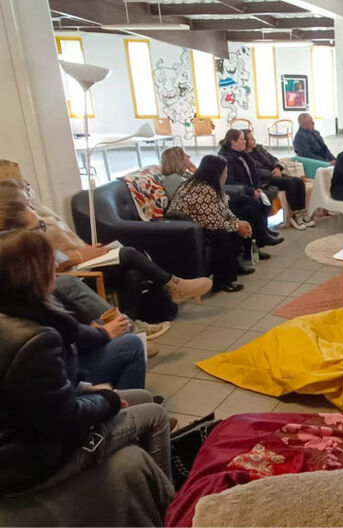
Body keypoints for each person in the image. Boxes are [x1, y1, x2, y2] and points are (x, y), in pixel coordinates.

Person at [0, 230, 171, 495]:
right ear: (35, 273)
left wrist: (83, 389)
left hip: (24, 434)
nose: (56, 267)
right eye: (50, 263)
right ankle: (166, 504)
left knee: (144, 396)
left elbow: (35, 395)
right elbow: (63, 420)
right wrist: (107, 400)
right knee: (156, 415)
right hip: (31, 461)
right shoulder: (35, 340)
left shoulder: (19, 315)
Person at [0, 180, 211, 309]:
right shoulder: (17, 240)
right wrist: (84, 255)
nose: (32, 200)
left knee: (132, 269)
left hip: (76, 265)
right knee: (128, 254)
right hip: (71, 274)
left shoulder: (37, 220)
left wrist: (86, 252)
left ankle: (134, 324)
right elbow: (53, 261)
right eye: (27, 200)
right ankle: (174, 285)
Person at [168, 155, 252, 293]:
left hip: (202, 223)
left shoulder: (210, 185)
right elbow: (213, 222)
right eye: (224, 172)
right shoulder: (202, 189)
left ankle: (235, 265)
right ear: (216, 173)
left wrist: (237, 222)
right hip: (188, 230)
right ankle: (223, 281)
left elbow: (222, 210)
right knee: (222, 235)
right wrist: (237, 226)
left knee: (233, 228)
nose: (226, 175)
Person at [218, 129, 282, 256]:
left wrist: (257, 188)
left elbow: (253, 175)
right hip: (237, 194)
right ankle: (256, 242)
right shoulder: (227, 159)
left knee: (264, 202)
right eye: (242, 139)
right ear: (233, 142)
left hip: (250, 190)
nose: (244, 141)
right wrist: (251, 191)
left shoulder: (244, 155)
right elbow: (230, 182)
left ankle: (263, 234)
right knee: (252, 206)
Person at [242, 129, 313, 230]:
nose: (254, 140)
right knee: (289, 183)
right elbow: (255, 171)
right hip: (265, 179)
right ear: (245, 142)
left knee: (299, 181)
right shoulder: (245, 156)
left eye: (253, 138)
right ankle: (295, 215)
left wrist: (277, 167)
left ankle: (302, 212)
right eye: (251, 139)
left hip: (275, 173)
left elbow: (273, 159)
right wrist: (270, 174)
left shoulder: (259, 149)